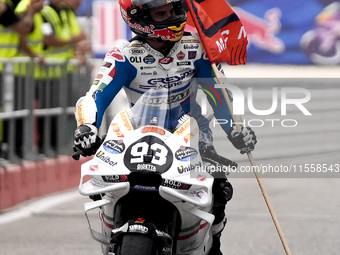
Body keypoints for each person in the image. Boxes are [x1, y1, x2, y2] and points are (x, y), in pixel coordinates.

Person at [73, 0, 257, 254]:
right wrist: (86, 128)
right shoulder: (124, 54)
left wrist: (235, 130)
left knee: (218, 188)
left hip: (191, 131)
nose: (172, 17)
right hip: (138, 131)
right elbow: (95, 96)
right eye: (162, 13)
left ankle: (213, 246)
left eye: (173, 10)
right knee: (103, 178)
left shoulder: (197, 48)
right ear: (139, 19)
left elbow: (219, 95)